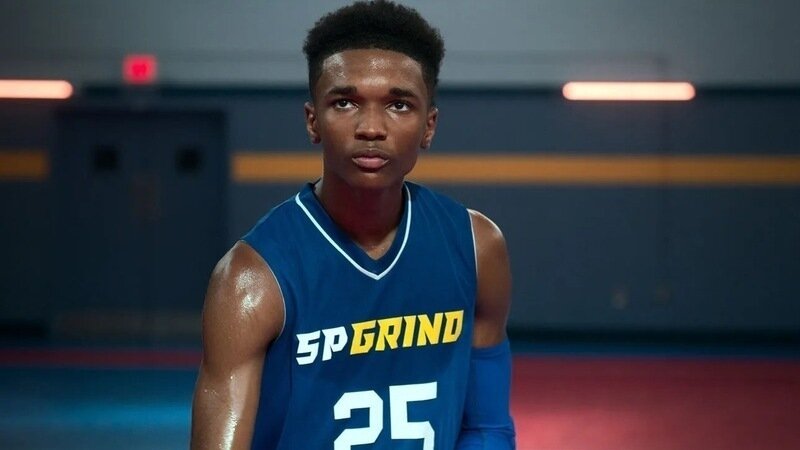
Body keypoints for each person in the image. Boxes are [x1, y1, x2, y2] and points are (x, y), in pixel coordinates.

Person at [190, 1, 515, 448]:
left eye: (399, 105)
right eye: (345, 102)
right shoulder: (252, 280)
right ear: (313, 122)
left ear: (429, 127)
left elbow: (486, 428)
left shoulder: (477, 248)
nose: (371, 128)